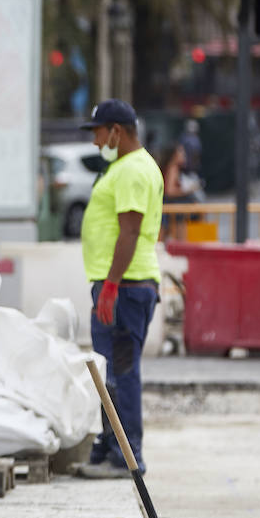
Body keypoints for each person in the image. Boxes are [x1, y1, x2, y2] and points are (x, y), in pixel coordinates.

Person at [75, 99, 163, 479]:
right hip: (119, 285)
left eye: (98, 132)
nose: (95, 142)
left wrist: (110, 286)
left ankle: (127, 457)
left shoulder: (132, 171)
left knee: (122, 371)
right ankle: (111, 446)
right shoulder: (126, 167)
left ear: (117, 131)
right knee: (111, 370)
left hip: (124, 287)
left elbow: (130, 231)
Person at [158, 144, 196, 242]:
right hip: (170, 208)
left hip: (167, 208)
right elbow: (169, 191)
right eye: (181, 152)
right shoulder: (172, 168)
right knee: (177, 238)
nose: (184, 155)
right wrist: (187, 191)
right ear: (174, 155)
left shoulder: (172, 168)